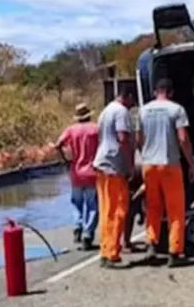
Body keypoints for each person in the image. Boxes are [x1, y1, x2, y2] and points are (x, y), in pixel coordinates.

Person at [137, 78, 194, 268]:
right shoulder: (176, 110)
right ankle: (175, 251)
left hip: (149, 165)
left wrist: (145, 154)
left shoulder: (143, 110)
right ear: (170, 93)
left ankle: (151, 244)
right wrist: (191, 163)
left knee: (153, 207)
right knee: (175, 210)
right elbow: (183, 138)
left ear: (155, 91)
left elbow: (139, 139)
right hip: (169, 164)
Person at [93, 90, 136, 268]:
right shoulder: (121, 112)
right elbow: (123, 138)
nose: (133, 104)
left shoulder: (105, 111)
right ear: (126, 96)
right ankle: (111, 252)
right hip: (114, 166)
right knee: (119, 209)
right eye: (132, 99)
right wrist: (130, 164)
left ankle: (105, 249)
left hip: (102, 164)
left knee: (106, 210)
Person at [53, 103, 99, 251]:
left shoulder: (71, 130)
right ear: (89, 115)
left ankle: (78, 225)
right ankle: (87, 233)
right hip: (92, 171)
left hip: (76, 172)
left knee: (76, 203)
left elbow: (58, 144)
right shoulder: (95, 129)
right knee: (92, 205)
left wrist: (66, 160)